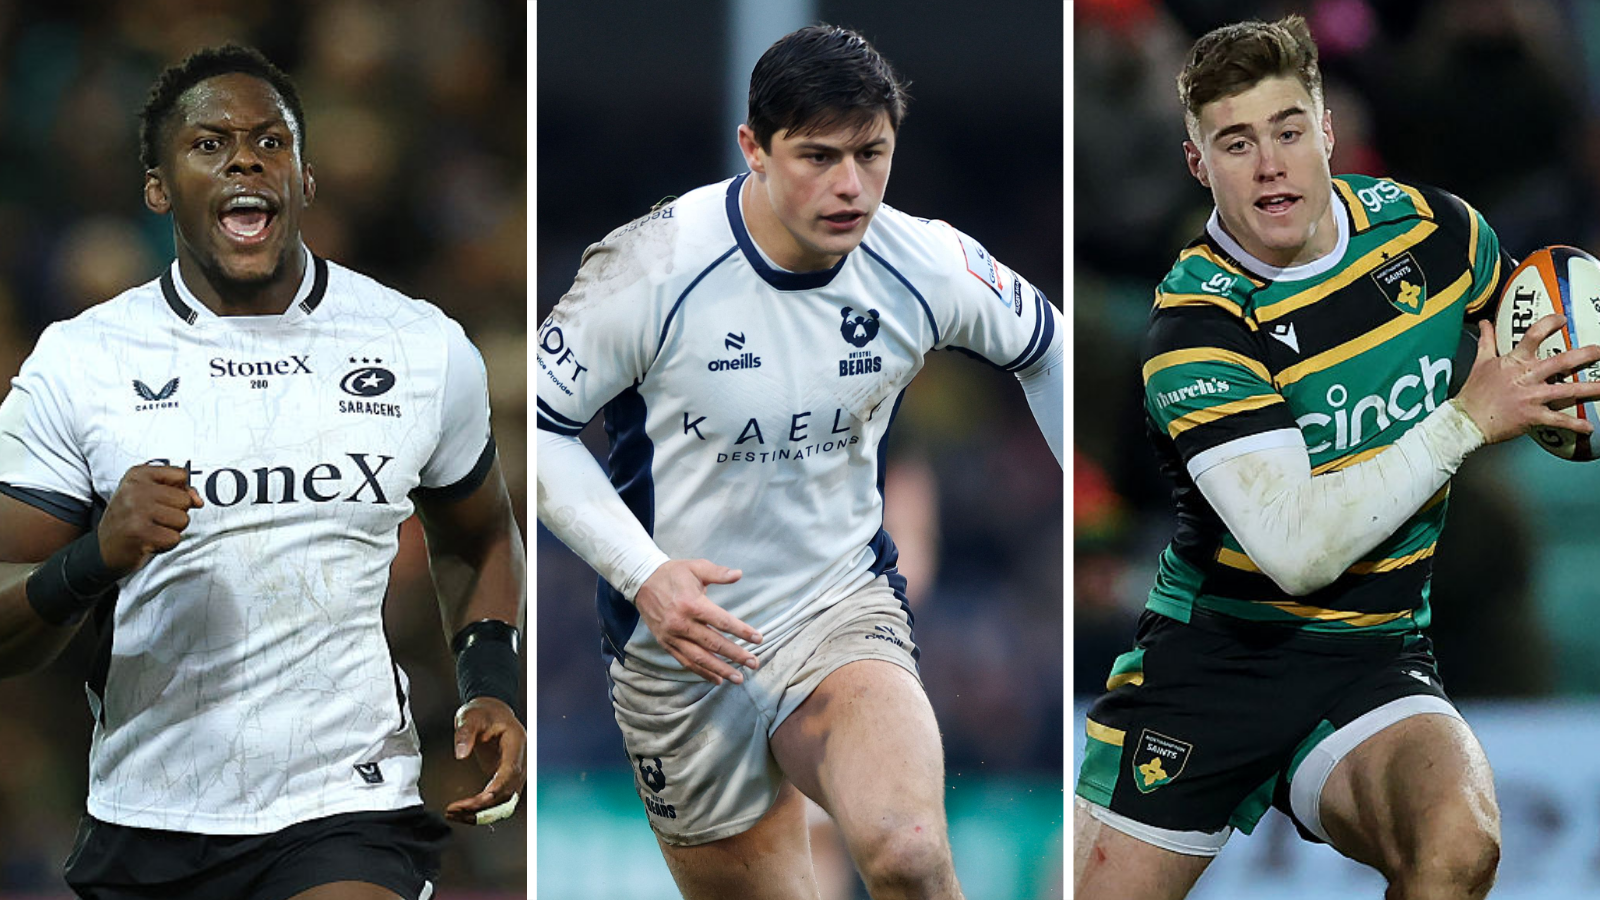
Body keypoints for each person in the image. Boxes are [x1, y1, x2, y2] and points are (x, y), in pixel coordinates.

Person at [1073, 16, 1600, 900]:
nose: (1269, 163)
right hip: (1213, 667)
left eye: (1287, 130)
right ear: (1199, 164)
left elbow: (1536, 335)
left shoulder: (1436, 237)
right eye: (1236, 143)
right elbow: (1297, 549)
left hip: (1372, 654)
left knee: (1459, 846)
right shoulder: (1194, 328)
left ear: (1325, 131)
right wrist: (1465, 421)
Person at [536, 23, 1062, 900]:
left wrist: (1078, 501)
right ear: (754, 148)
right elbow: (546, 434)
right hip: (680, 644)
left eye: (871, 153)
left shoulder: (921, 261)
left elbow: (1044, 346)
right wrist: (648, 576)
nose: (850, 186)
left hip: (837, 606)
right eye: (817, 156)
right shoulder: (651, 267)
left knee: (909, 854)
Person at [0, 45, 525, 900]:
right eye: (210, 145)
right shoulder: (80, 364)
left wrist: (490, 685)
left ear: (304, 181)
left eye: (270, 142)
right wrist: (95, 557)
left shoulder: (420, 347)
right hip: (150, 815)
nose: (245, 158)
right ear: (158, 188)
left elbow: (481, 533)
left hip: (347, 806)